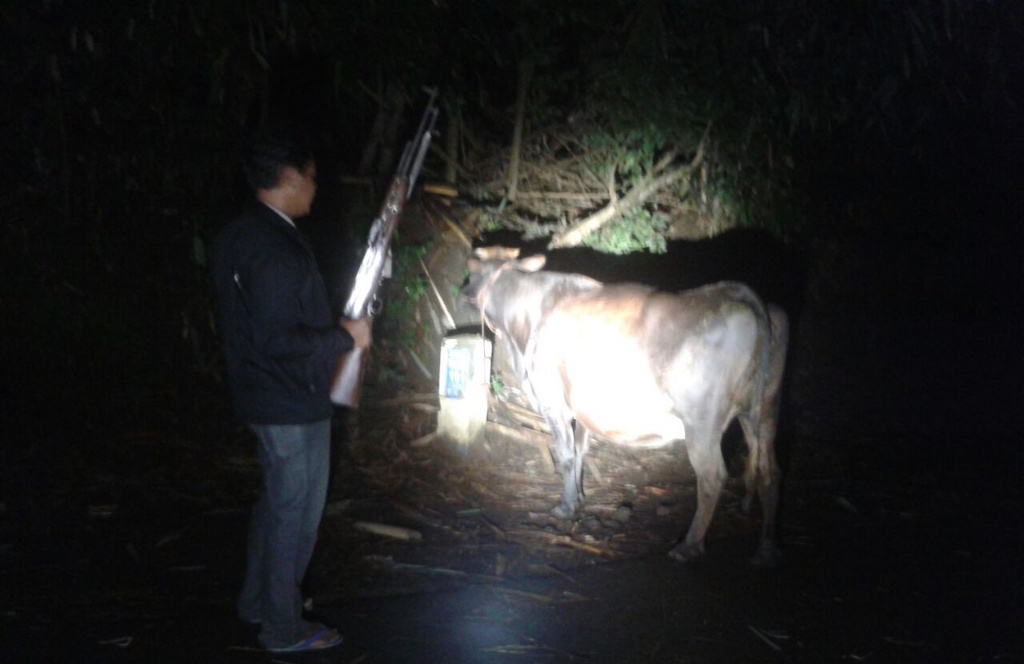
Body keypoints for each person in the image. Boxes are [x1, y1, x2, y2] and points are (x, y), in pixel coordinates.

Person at [211, 129, 371, 653]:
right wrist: (345, 338)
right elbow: (278, 338)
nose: (315, 185)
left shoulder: (241, 233)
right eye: (312, 174)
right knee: (294, 515)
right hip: (288, 402)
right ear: (288, 177)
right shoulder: (273, 246)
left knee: (277, 507)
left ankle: (259, 602)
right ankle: (282, 629)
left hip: (265, 396)